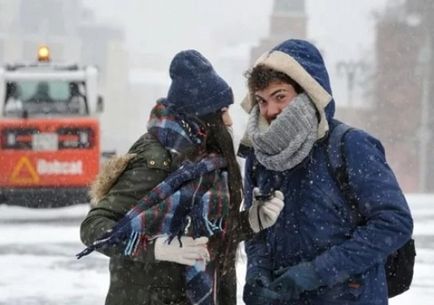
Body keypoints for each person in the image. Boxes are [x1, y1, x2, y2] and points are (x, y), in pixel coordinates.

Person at [78, 50, 284, 305]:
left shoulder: (210, 162)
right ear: (203, 116)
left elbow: (208, 236)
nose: (229, 121)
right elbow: (94, 228)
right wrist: (156, 248)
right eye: (222, 111)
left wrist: (252, 220)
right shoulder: (155, 159)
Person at [239, 39, 414, 305]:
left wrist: (315, 273)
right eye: (262, 101)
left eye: (280, 96)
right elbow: (257, 230)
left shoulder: (349, 146)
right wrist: (257, 273)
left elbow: (394, 223)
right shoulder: (259, 157)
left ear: (308, 92)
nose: (270, 111)